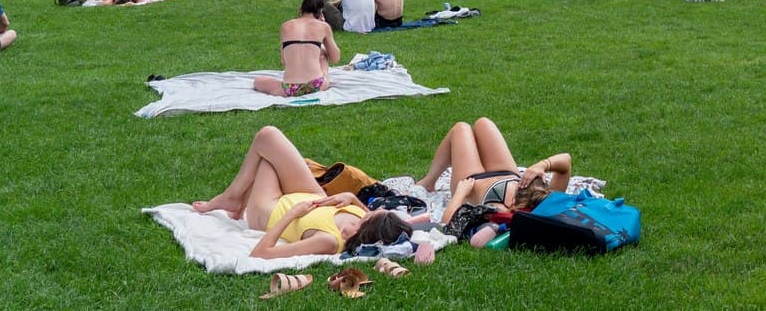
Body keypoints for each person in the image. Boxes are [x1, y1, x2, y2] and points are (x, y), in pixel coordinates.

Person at [190, 125, 422, 259]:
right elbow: (369, 215)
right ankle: (234, 197)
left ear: (366, 229)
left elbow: (261, 254)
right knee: (270, 139)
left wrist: (291, 214)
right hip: (311, 196)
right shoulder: (361, 220)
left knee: (266, 149)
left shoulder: (329, 241)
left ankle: (233, 198)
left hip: (271, 210)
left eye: (373, 214)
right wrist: (351, 198)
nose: (374, 209)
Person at [423, 118, 572, 246]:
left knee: (461, 129)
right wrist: (543, 164)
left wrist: (460, 194)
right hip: (505, 171)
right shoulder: (550, 202)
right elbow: (566, 162)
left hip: (472, 181)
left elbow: (448, 222)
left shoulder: (503, 213)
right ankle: (429, 180)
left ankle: (429, 181)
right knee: (483, 123)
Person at [255, 0, 340, 96]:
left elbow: (284, 61)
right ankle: (323, 74)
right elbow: (335, 58)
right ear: (320, 12)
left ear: (301, 9)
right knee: (322, 51)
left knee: (258, 80)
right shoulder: (323, 26)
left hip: (289, 88)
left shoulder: (286, 26)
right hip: (316, 85)